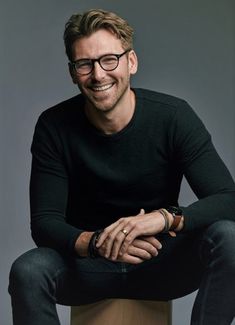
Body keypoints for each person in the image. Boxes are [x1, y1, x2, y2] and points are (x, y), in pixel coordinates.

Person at [9, 8, 235, 325]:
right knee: (28, 270)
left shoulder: (173, 116)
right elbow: (45, 224)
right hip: (88, 267)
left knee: (230, 237)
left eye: (109, 60)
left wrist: (164, 218)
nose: (98, 74)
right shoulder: (54, 126)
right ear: (73, 72)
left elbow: (228, 199)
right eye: (85, 64)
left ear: (131, 62)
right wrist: (97, 242)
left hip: (160, 260)